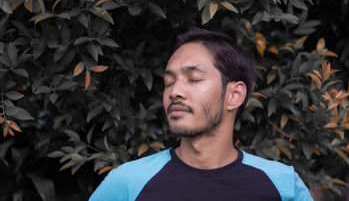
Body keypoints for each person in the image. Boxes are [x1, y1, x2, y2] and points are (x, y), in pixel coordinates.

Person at [89, 27, 313, 201]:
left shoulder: (283, 185)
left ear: (234, 95)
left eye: (194, 79)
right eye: (169, 82)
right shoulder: (127, 183)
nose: (174, 91)